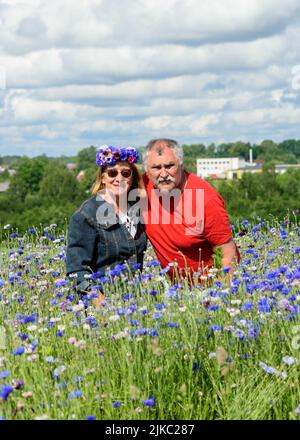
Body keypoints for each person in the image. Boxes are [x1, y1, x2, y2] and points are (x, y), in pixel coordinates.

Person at [142, 138, 239, 283]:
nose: (163, 174)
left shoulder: (206, 199)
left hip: (208, 288)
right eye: (156, 168)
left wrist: (221, 294)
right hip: (176, 290)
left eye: (169, 166)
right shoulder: (142, 186)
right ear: (147, 170)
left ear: (181, 164)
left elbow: (227, 255)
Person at [66, 145, 147, 307]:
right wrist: (102, 304)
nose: (119, 178)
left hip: (135, 301)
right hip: (103, 305)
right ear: (102, 177)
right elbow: (77, 272)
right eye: (112, 173)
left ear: (132, 178)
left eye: (125, 173)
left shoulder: (136, 209)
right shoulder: (86, 215)